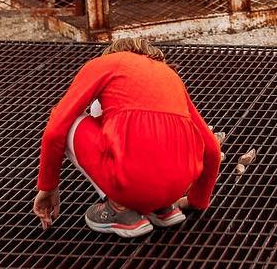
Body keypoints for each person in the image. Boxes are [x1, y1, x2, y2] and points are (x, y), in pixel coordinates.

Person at [33, 37, 222, 238]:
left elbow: (55, 131)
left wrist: (48, 187)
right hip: (177, 188)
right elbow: (211, 148)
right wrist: (197, 200)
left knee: (68, 119)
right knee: (116, 114)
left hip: (132, 183)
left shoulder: (104, 64)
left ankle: (121, 208)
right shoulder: (170, 75)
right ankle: (163, 208)